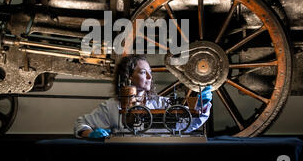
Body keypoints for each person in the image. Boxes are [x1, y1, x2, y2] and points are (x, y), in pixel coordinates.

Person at [74, 55, 212, 138]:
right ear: (128, 76)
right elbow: (80, 124)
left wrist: (201, 106)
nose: (150, 77)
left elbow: (188, 124)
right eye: (143, 72)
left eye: (150, 72)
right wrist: (90, 134)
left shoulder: (161, 104)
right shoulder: (112, 106)